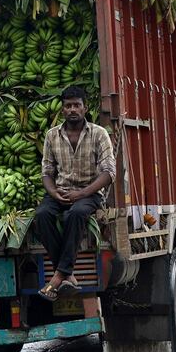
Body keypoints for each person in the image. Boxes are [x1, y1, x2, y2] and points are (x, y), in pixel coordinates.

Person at [33, 86, 116, 302]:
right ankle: (68, 274)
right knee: (41, 216)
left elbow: (108, 173)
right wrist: (54, 192)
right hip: (60, 192)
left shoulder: (99, 134)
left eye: (76, 105)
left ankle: (59, 275)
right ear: (62, 110)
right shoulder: (52, 136)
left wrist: (81, 194)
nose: (72, 110)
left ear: (85, 108)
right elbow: (47, 172)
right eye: (68, 106)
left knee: (75, 214)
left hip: (89, 193)